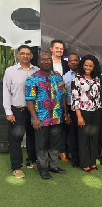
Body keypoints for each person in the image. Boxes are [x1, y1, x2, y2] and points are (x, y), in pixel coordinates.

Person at [25, 51, 68, 180]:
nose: (46, 62)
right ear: (38, 62)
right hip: (41, 119)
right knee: (41, 146)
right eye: (43, 59)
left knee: (55, 144)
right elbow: (29, 100)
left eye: (48, 59)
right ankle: (43, 169)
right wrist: (35, 118)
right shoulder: (32, 78)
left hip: (56, 116)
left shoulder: (58, 77)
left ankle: (54, 166)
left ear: (51, 61)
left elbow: (64, 96)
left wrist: (65, 113)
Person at [3, 45, 38, 178]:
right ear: (18, 55)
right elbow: (6, 92)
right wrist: (8, 111)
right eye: (22, 53)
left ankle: (32, 161)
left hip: (34, 111)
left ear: (31, 56)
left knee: (33, 137)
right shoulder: (10, 71)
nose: (25, 56)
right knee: (16, 139)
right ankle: (16, 167)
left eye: (28, 54)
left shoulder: (37, 71)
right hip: (18, 110)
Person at [71, 54, 101, 173]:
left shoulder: (96, 79)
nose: (88, 67)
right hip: (83, 112)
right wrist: (79, 116)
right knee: (83, 138)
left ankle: (92, 161)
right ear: (82, 66)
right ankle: (84, 163)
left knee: (93, 137)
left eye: (90, 66)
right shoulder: (77, 79)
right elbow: (75, 98)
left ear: (94, 67)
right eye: (86, 65)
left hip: (96, 111)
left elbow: (98, 96)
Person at [50, 39, 70, 161]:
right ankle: (50, 152)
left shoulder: (66, 64)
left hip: (62, 99)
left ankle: (62, 151)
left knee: (62, 126)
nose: (59, 50)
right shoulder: (46, 63)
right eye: (57, 48)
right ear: (51, 49)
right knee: (49, 127)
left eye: (61, 49)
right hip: (48, 101)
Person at [63, 53, 80, 167]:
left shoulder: (85, 74)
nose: (73, 63)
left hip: (84, 108)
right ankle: (75, 159)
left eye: (75, 60)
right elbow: (64, 96)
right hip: (71, 108)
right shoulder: (65, 77)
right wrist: (66, 113)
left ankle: (85, 156)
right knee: (73, 134)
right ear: (68, 63)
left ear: (79, 61)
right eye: (70, 61)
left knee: (84, 134)